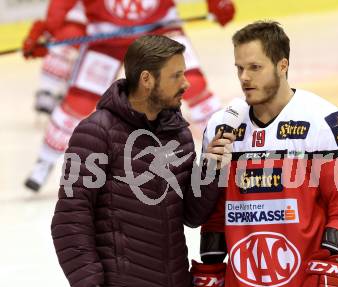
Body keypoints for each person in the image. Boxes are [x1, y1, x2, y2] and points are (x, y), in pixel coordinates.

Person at [190, 21, 338, 287]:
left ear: (282, 65)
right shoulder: (223, 126)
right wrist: (211, 267)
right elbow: (216, 213)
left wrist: (332, 261)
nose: (245, 77)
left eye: (255, 67)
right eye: (239, 68)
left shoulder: (323, 122)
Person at [50, 35, 234, 287]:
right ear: (147, 79)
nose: (186, 83)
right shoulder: (95, 132)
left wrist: (211, 168)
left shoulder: (178, 134)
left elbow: (191, 214)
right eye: (176, 75)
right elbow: (70, 216)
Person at [23, 0, 235, 192]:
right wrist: (49, 30)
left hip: (160, 29)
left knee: (193, 85)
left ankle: (226, 154)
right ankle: (45, 160)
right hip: (106, 37)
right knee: (78, 101)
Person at [22, 1, 87, 115]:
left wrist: (37, 38)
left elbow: (53, 21)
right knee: (79, 69)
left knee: (58, 60)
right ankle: (66, 97)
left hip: (65, 37)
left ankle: (48, 93)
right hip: (88, 41)